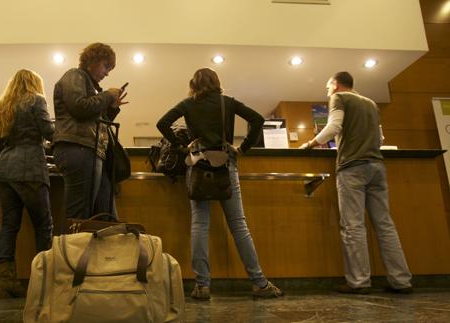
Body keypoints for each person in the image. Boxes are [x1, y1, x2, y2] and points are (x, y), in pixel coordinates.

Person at [157, 68, 283, 300]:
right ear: (217, 83)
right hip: (226, 165)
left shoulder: (188, 104)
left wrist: (181, 146)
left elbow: (162, 123)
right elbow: (257, 119)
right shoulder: (228, 103)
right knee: (238, 225)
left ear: (193, 84)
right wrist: (243, 148)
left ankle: (202, 286)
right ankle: (259, 283)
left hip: (198, 164)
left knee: (199, 225)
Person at [300, 71, 413, 294]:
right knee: (385, 224)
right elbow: (379, 138)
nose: (327, 91)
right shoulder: (371, 103)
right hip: (377, 167)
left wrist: (311, 143)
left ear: (335, 85)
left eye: (327, 87)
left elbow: (334, 127)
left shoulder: (339, 98)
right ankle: (401, 280)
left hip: (352, 167)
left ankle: (359, 282)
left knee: (353, 225)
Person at [0, 69, 55, 298]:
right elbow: (49, 132)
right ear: (34, 83)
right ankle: (43, 282)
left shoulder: (2, 106)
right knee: (43, 226)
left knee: (9, 226)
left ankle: (7, 281)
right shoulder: (37, 100)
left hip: (4, 170)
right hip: (29, 169)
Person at [52, 43, 127, 227]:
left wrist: (112, 108)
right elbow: (79, 106)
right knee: (81, 215)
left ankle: (90, 254)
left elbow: (95, 120)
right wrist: (108, 96)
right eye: (106, 66)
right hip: (78, 148)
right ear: (92, 61)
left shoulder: (89, 86)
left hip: (87, 150)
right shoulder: (74, 75)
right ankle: (75, 254)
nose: (107, 73)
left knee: (101, 214)